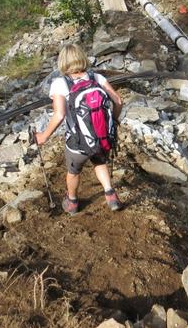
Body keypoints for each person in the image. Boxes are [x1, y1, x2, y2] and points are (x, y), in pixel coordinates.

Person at [34, 44, 123, 215]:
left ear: (62, 62)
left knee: (73, 172)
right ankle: (111, 195)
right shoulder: (96, 77)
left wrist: (44, 136)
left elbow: (59, 115)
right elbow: (118, 101)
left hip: (77, 142)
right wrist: (114, 121)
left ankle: (72, 202)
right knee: (100, 162)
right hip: (101, 137)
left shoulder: (60, 83)